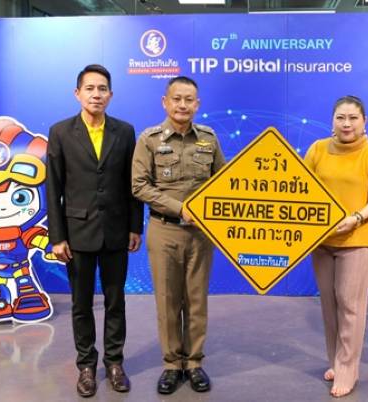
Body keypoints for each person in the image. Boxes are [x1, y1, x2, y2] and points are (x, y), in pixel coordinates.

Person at [46, 64, 144, 397]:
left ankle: (115, 363)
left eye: (102, 89)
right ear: (78, 93)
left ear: (110, 95)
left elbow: (132, 184)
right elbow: (53, 187)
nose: (96, 94)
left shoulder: (125, 132)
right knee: (81, 304)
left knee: (116, 302)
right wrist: (57, 236)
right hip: (77, 234)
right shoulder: (60, 132)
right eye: (89, 88)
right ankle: (86, 366)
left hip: (116, 231)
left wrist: (135, 226)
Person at [132, 76, 225, 395]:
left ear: (197, 104)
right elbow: (139, 186)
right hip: (164, 230)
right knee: (168, 301)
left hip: (200, 234)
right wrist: (180, 208)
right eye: (177, 99)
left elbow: (223, 180)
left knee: (196, 301)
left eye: (189, 100)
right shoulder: (149, 139)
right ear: (165, 102)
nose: (182, 105)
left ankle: (194, 363)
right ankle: (172, 365)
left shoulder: (209, 139)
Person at [304, 96, 368, 397]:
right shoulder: (317, 149)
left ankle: (347, 370)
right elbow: (301, 186)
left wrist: (355, 218)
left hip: (358, 238)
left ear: (364, 121)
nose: (346, 124)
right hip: (321, 241)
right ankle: (336, 361)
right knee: (329, 304)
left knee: (350, 305)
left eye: (353, 118)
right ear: (332, 120)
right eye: (340, 117)